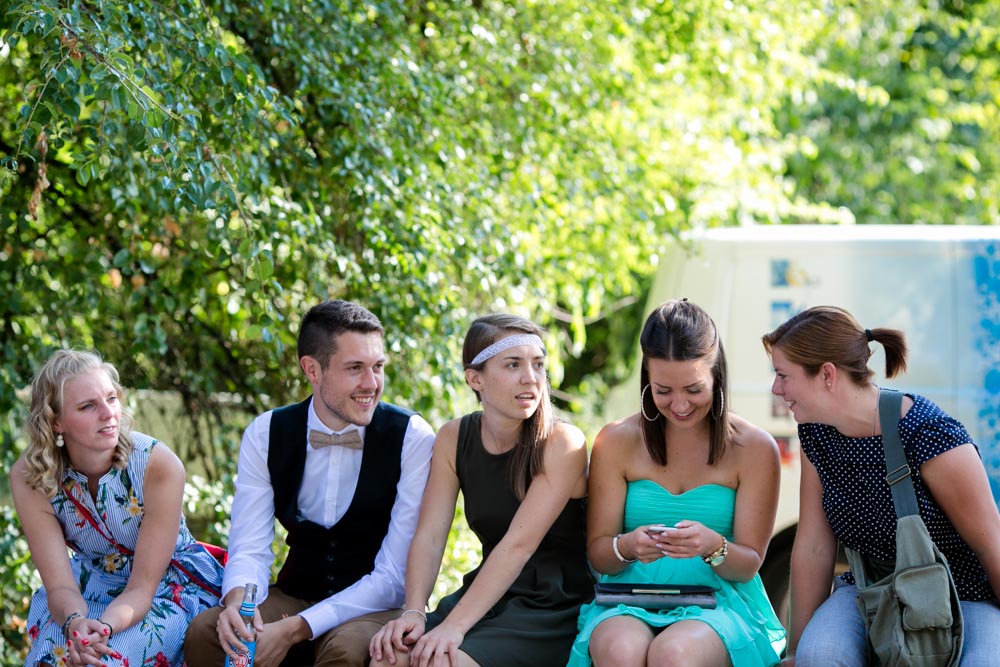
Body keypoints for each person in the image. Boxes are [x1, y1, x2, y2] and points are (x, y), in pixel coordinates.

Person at [183, 299, 435, 667]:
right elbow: (250, 546)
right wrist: (240, 604)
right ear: (312, 370)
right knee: (209, 632)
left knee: (346, 653)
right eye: (355, 369)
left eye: (378, 367)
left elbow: (393, 577)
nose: (372, 384)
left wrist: (298, 628)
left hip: (374, 606)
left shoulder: (411, 437)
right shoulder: (267, 433)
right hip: (296, 592)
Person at [762, 305, 1000, 666]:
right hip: (868, 589)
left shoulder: (929, 434)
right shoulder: (816, 432)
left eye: (783, 375)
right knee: (819, 655)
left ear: (827, 374)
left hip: (961, 594)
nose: (776, 389)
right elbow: (813, 546)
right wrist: (795, 650)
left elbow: (992, 545)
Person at [569, 299, 786, 667]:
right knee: (621, 651)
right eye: (663, 390)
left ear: (716, 376)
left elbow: (748, 563)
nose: (680, 404)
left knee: (674, 654)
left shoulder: (753, 448)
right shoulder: (616, 441)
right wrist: (627, 547)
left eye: (693, 388)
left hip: (718, 602)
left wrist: (713, 546)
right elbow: (598, 551)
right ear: (646, 380)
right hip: (627, 599)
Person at [368, 313, 592, 667]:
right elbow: (429, 534)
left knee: (442, 663)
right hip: (487, 593)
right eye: (513, 365)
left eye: (537, 365)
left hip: (552, 604)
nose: (530, 378)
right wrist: (414, 611)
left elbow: (518, 546)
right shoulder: (453, 438)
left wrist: (454, 627)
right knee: (389, 658)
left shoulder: (563, 442)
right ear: (476, 379)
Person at [12, 350, 224, 667]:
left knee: (107, 661)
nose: (108, 413)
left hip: (165, 589)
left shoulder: (157, 464)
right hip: (87, 591)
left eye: (111, 399)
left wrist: (104, 630)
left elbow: (141, 588)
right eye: (88, 406)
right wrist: (75, 625)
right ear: (56, 422)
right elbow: (59, 586)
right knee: (50, 661)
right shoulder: (32, 477)